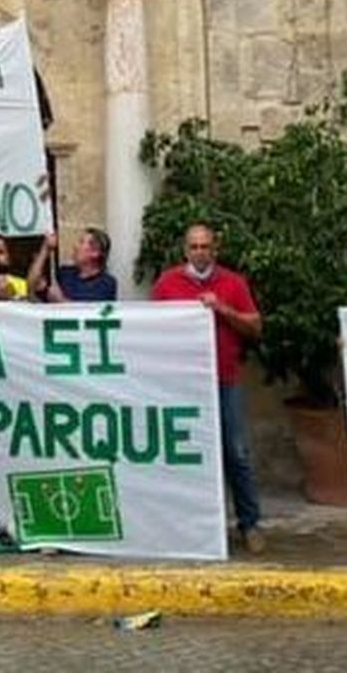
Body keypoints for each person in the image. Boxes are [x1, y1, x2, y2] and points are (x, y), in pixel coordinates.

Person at [152, 223, 267, 555]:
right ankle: (189, 526)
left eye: (205, 246)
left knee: (237, 452)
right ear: (185, 250)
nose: (200, 252)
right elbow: (151, 327)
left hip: (224, 379)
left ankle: (249, 523)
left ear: (214, 250)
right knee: (185, 455)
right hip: (182, 383)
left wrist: (222, 309)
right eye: (194, 247)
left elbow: (255, 326)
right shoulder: (167, 283)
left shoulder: (233, 282)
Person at [28, 227, 117, 302]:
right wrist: (46, 248)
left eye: (81, 242)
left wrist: (61, 301)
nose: (75, 246)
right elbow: (33, 284)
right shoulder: (65, 273)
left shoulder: (106, 283)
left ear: (95, 252)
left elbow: (92, 315)